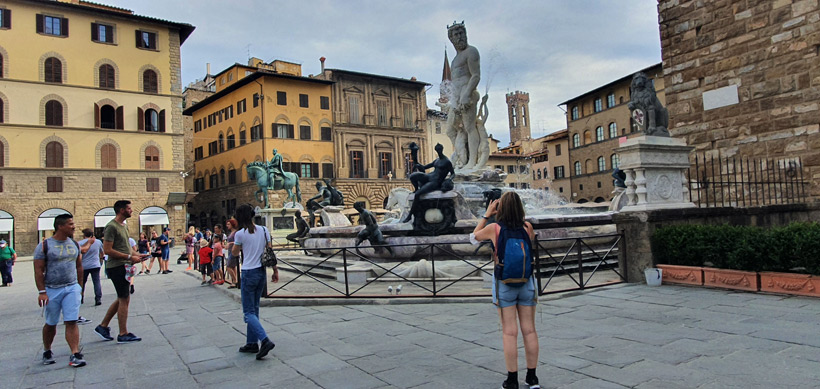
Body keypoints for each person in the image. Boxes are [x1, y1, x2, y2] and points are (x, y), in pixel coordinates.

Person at [472, 192, 539, 389]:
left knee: (510, 333)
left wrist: (486, 215)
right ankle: (532, 379)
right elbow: (529, 244)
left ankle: (511, 380)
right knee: (530, 330)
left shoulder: (495, 228)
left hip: (505, 284)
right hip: (527, 282)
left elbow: (473, 237)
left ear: (500, 209)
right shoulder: (527, 227)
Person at [33, 213, 86, 367]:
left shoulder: (75, 244)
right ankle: (47, 350)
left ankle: (75, 353)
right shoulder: (44, 245)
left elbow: (79, 267)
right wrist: (42, 292)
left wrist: (80, 287)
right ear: (60, 226)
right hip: (51, 289)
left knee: (72, 320)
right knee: (51, 323)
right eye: (70, 224)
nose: (74, 226)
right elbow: (38, 270)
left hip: (71, 287)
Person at [94, 200, 147, 344]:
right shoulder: (111, 226)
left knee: (121, 297)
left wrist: (136, 255)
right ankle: (123, 333)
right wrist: (129, 257)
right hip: (117, 266)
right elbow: (108, 250)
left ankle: (103, 326)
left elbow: (125, 247)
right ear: (121, 210)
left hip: (124, 265)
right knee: (124, 299)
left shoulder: (124, 226)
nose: (131, 211)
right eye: (129, 208)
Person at [232, 204, 278, 360]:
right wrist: (275, 271)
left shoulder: (240, 234)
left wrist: (233, 245)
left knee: (248, 313)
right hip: (261, 273)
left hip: (248, 272)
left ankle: (264, 340)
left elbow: (235, 253)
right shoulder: (264, 231)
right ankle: (252, 343)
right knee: (255, 309)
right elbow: (270, 252)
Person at [402, 143, 455, 223]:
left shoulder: (447, 161)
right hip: (429, 177)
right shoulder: (437, 160)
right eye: (437, 150)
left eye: (439, 150)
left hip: (436, 182)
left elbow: (453, 173)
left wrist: (449, 179)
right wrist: (417, 163)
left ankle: (410, 215)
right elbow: (424, 167)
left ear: (442, 150)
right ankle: (416, 188)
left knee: (417, 195)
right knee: (413, 176)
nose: (438, 151)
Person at [78, 229, 104, 306]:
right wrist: (101, 262)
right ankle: (98, 298)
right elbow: (102, 253)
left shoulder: (80, 243)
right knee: (96, 282)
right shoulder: (98, 242)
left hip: (84, 265)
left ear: (84, 235)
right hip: (95, 264)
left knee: (82, 282)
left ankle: (81, 297)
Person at [225, 219, 239, 288]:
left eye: (228, 224)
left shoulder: (235, 233)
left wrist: (230, 243)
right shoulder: (231, 233)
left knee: (228, 266)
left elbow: (237, 241)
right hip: (230, 250)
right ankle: (234, 280)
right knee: (233, 266)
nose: (227, 226)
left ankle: (235, 280)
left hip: (234, 250)